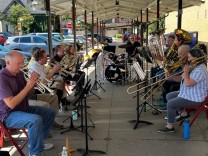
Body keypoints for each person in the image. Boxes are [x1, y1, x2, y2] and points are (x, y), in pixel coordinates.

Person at [0, 51, 56, 156]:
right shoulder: (2, 78)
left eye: (22, 63)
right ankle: (35, 153)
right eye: (18, 63)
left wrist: (33, 84)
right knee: (35, 120)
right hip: (8, 114)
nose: (21, 66)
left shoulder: (19, 73)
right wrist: (28, 86)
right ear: (8, 63)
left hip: (22, 108)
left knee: (50, 113)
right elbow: (11, 104)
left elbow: (29, 93)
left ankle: (38, 142)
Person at [158, 48, 208, 133]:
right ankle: (183, 113)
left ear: (195, 58)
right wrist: (171, 77)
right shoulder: (194, 66)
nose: (187, 59)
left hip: (195, 98)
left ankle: (170, 126)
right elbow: (182, 78)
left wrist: (186, 72)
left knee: (171, 103)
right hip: (189, 93)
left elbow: (188, 83)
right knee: (169, 96)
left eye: (189, 57)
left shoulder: (200, 70)